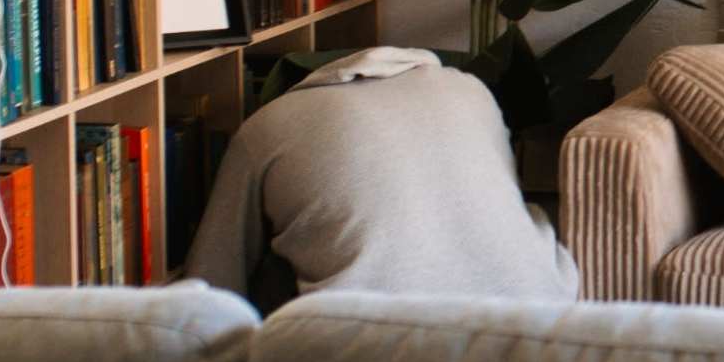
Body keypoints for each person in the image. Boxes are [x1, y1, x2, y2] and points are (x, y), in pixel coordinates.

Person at [177, 47, 573, 306]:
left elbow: (210, 286)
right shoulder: (472, 90)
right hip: (542, 323)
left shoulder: (268, 125)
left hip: (375, 348)